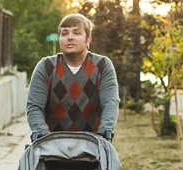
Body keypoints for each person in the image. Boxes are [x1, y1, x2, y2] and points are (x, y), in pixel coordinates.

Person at [26, 13, 119, 142]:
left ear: (88, 40)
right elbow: (34, 105)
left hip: (92, 144)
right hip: (52, 145)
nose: (70, 38)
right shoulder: (46, 67)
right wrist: (43, 135)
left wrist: (106, 129)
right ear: (60, 39)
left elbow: (110, 102)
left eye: (76, 33)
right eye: (64, 33)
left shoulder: (102, 66)